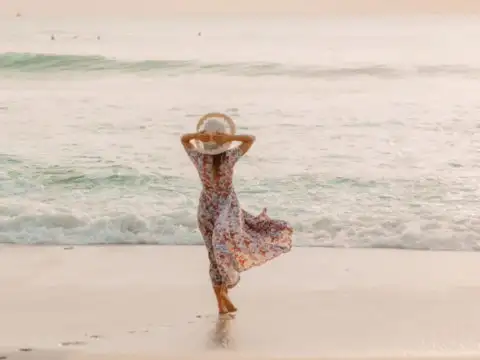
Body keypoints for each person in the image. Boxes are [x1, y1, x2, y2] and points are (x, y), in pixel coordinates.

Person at [181, 114, 293, 316]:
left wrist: (200, 136)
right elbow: (250, 139)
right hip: (226, 208)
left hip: (206, 210)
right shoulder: (229, 156)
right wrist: (228, 139)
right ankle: (223, 297)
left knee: (216, 253)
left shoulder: (199, 157)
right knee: (222, 250)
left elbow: (184, 139)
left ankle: (222, 296)